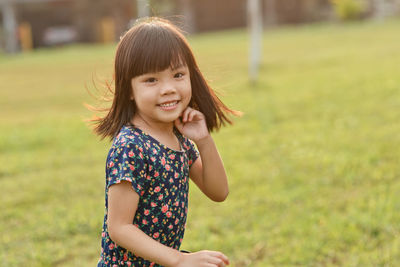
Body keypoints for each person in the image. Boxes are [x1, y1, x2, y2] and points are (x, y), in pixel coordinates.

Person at [91, 17, 239, 267]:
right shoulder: (131, 146)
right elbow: (119, 227)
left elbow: (218, 191)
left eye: (178, 75)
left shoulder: (178, 137)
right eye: (151, 80)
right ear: (128, 89)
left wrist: (203, 140)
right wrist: (180, 259)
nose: (168, 88)